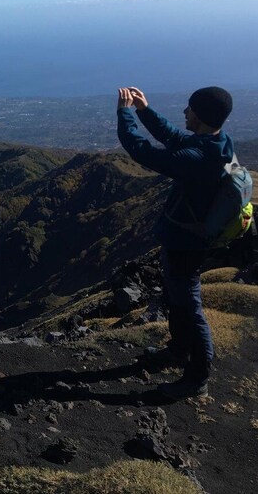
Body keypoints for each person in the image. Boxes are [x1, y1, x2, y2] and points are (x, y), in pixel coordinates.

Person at [116, 85, 234, 400]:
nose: (184, 112)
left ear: (202, 115)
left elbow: (140, 150)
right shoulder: (220, 145)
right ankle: (179, 350)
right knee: (177, 298)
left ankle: (197, 379)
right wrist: (145, 110)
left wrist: (125, 113)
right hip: (190, 239)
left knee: (189, 306)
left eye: (190, 108)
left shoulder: (196, 158)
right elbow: (175, 137)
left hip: (186, 243)